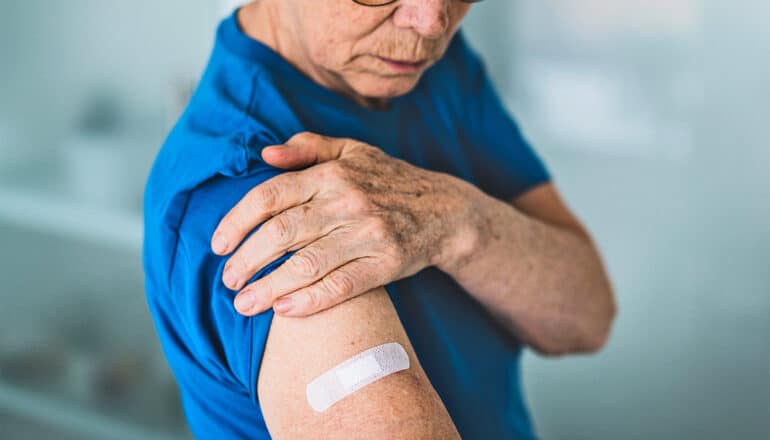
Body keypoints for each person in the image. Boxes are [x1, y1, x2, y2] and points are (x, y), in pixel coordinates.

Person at [143, 0, 616, 438]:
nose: (433, 22)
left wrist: (457, 220)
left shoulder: (426, 69)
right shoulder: (253, 194)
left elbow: (587, 315)